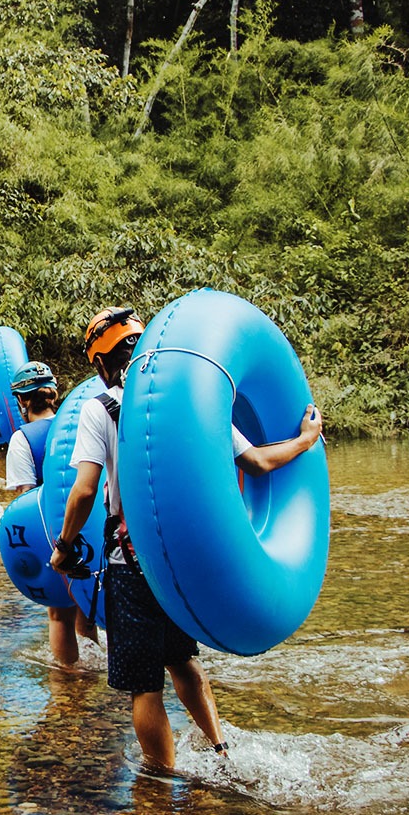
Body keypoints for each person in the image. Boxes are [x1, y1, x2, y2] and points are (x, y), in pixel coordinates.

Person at [50, 305, 324, 773]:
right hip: (178, 565)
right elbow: (255, 462)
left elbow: (85, 490)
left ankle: (161, 779)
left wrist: (63, 544)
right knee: (183, 661)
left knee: (144, 686)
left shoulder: (99, 410)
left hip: (130, 565)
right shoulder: (187, 402)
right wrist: (304, 440)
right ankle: (220, 750)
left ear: (98, 364)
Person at [5, 361, 100, 668]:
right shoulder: (76, 426)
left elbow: (25, 503)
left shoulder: (23, 439)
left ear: (21, 401)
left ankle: (67, 688)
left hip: (51, 535)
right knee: (88, 611)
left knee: (59, 614)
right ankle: (95, 671)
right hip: (90, 530)